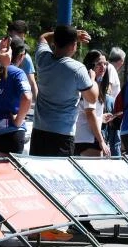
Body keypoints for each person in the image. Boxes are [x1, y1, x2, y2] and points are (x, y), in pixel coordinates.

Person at [30, 25, 96, 157]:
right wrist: (92, 79)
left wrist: (69, 34)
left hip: (39, 132)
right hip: (62, 135)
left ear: (55, 42)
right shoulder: (77, 69)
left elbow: (43, 37)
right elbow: (92, 98)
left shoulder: (42, 58)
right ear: (73, 46)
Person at [0, 37, 32, 158]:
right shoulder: (18, 73)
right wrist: (19, 121)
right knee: (8, 176)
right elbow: (27, 97)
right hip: (11, 133)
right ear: (21, 56)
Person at [72, 50, 109, 156]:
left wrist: (101, 117)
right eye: (99, 64)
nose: (103, 67)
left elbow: (87, 111)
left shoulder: (95, 84)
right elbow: (89, 114)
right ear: (90, 66)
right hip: (87, 139)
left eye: (105, 64)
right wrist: (101, 141)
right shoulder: (89, 84)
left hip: (87, 138)